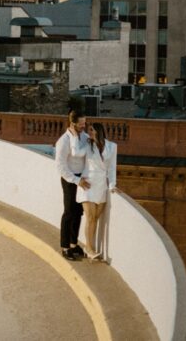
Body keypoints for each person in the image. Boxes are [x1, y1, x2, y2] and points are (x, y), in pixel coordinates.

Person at [77, 121, 117, 260]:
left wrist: (112, 185)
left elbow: (112, 168)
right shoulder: (87, 145)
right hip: (88, 183)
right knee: (90, 217)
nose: (90, 133)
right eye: (89, 130)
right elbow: (76, 153)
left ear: (98, 131)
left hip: (101, 185)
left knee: (95, 218)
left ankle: (89, 247)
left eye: (92, 130)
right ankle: (89, 248)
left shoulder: (112, 146)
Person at [55, 109, 90, 260]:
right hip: (70, 180)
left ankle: (73, 244)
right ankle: (65, 247)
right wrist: (76, 180)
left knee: (78, 212)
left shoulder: (85, 137)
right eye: (81, 124)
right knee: (69, 213)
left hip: (82, 179)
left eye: (84, 123)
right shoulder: (63, 141)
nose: (84, 126)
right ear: (72, 123)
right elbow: (61, 167)